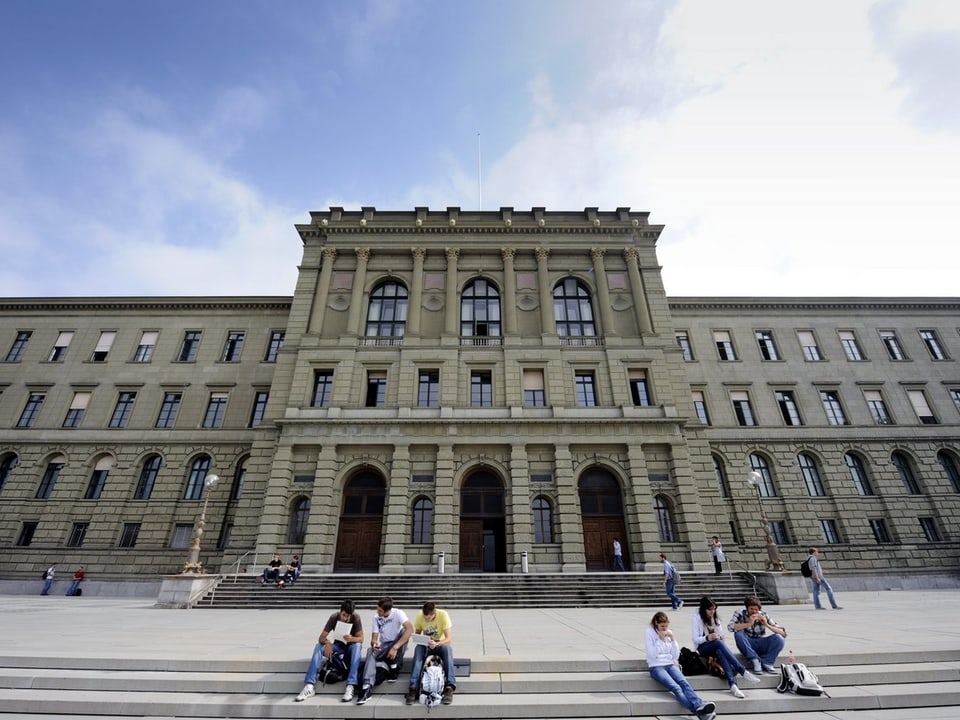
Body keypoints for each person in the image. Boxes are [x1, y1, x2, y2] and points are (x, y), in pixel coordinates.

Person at [645, 611, 717, 720]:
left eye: (666, 625)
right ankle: (699, 711)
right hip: (656, 667)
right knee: (676, 688)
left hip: (670, 664)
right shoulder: (649, 632)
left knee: (684, 683)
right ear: (656, 623)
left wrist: (673, 639)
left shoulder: (668, 632)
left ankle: (699, 706)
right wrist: (660, 640)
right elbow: (652, 655)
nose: (664, 628)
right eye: (662, 626)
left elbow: (675, 655)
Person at [295, 599, 365, 703]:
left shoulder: (356, 617)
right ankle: (309, 685)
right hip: (338, 647)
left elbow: (361, 639)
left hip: (350, 648)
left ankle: (351, 685)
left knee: (358, 646)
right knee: (319, 646)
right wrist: (327, 643)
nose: (346, 618)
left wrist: (352, 639)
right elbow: (321, 637)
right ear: (340, 611)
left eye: (348, 616)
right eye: (344, 615)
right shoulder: (334, 617)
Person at [692, 596, 761, 698]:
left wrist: (720, 637)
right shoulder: (697, 619)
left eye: (714, 609)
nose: (712, 612)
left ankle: (733, 686)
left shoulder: (715, 618)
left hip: (716, 646)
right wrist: (707, 637)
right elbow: (695, 639)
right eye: (710, 609)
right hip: (702, 648)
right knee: (717, 643)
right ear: (703, 609)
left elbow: (722, 638)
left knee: (720, 650)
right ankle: (742, 670)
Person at [357, 596, 413, 705]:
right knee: (370, 651)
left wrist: (395, 648)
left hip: (397, 644)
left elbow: (410, 628)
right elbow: (374, 637)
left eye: (380, 610)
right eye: (377, 609)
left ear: (387, 610)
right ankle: (367, 687)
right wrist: (374, 643)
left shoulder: (398, 613)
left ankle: (395, 665)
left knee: (404, 632)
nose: (377, 612)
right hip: (384, 646)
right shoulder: (376, 617)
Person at [405, 601, 457, 705]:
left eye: (427, 618)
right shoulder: (420, 615)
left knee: (448, 649)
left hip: (440, 644)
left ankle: (449, 687)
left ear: (434, 614)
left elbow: (449, 638)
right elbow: (417, 634)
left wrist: (437, 643)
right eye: (424, 617)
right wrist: (423, 640)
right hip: (426, 645)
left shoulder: (443, 615)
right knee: (418, 648)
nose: (425, 620)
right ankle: (413, 687)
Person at [727, 595, 787, 674]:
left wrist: (766, 624)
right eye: (751, 609)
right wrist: (749, 623)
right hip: (747, 643)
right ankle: (755, 660)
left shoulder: (763, 615)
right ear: (747, 608)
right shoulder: (740, 613)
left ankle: (767, 662)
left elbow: (783, 633)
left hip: (761, 642)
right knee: (738, 634)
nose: (754, 611)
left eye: (756, 609)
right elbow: (730, 627)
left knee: (779, 638)